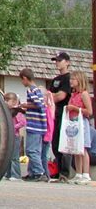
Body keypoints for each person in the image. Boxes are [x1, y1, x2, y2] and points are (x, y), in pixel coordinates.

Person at [18, 68, 47, 181]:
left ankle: (39, 172)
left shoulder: (31, 90)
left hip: (34, 125)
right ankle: (32, 172)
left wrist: (25, 105)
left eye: (22, 80)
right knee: (35, 149)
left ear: (25, 78)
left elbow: (38, 105)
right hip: (39, 125)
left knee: (31, 150)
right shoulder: (37, 90)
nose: (22, 82)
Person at [65, 71, 93, 184]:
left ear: (79, 80)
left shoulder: (84, 94)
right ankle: (78, 173)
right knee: (76, 148)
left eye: (73, 79)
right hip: (73, 123)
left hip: (82, 122)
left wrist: (75, 109)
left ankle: (86, 174)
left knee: (83, 148)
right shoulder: (73, 94)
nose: (71, 81)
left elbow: (89, 111)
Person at [49, 51, 72, 181]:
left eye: (60, 60)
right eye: (56, 60)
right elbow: (50, 96)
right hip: (55, 114)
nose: (57, 63)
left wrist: (50, 96)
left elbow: (61, 96)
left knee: (64, 144)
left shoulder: (68, 78)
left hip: (65, 114)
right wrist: (50, 97)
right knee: (55, 143)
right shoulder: (55, 79)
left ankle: (65, 172)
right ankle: (57, 170)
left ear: (67, 62)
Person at [4, 92, 26, 181]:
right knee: (8, 156)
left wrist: (13, 127)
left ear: (13, 101)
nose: (5, 102)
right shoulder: (7, 110)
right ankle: (8, 173)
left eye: (7, 101)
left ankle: (16, 174)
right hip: (9, 135)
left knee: (14, 156)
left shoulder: (17, 111)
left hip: (15, 136)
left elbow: (23, 122)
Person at [41, 90, 55, 181]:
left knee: (43, 156)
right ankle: (45, 173)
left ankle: (46, 173)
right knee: (42, 155)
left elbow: (50, 124)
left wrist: (47, 136)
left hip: (46, 135)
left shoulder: (48, 109)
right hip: (45, 134)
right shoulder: (48, 108)